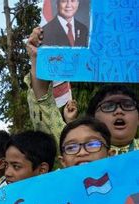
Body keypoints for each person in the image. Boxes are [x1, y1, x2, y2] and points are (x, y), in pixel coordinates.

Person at [26, 27, 139, 157]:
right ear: (94, 119)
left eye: (128, 105)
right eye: (108, 106)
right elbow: (45, 108)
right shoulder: (75, 147)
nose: (119, 111)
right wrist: (37, 59)